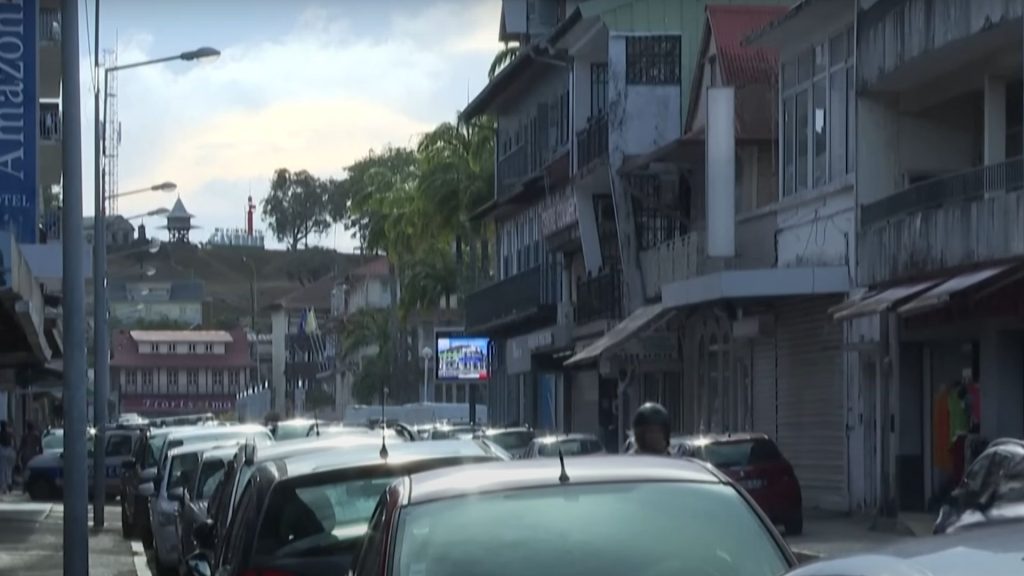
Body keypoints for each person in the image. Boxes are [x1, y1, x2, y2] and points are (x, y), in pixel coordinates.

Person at [0, 422, 14, 494]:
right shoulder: (10, 434)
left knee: (2, 470)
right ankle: (9, 483)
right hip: (9, 451)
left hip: (2, 451)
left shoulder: (1, 434)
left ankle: (4, 487)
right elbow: (13, 443)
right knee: (9, 469)